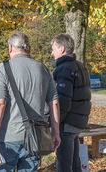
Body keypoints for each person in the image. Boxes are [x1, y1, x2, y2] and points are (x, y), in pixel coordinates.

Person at [0, 32, 60, 172]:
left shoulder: (3, 68)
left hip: (8, 137)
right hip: (35, 136)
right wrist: (55, 133)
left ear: (10, 48)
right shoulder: (43, 68)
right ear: (28, 49)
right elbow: (54, 102)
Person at [51, 34, 91, 172]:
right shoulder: (80, 67)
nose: (52, 52)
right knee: (75, 163)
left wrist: (55, 125)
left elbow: (62, 100)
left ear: (61, 49)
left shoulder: (64, 69)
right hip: (77, 123)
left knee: (64, 165)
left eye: (53, 49)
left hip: (66, 124)